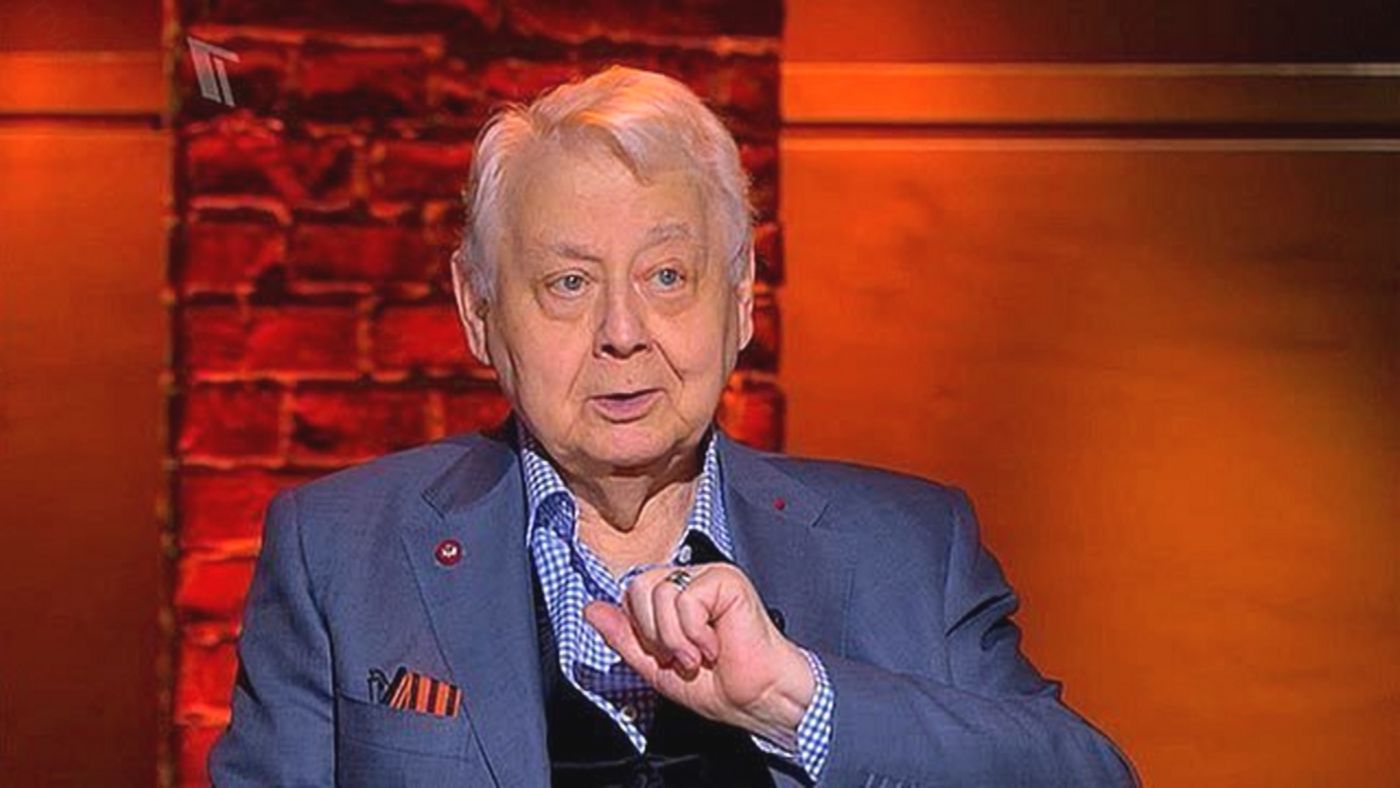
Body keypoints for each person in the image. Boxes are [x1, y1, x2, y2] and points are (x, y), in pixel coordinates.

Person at [209, 64, 1140, 787]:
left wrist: (796, 699)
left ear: (740, 300)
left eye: (667, 277)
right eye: (568, 283)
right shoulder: (342, 552)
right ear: (478, 309)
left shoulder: (909, 547)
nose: (623, 332)